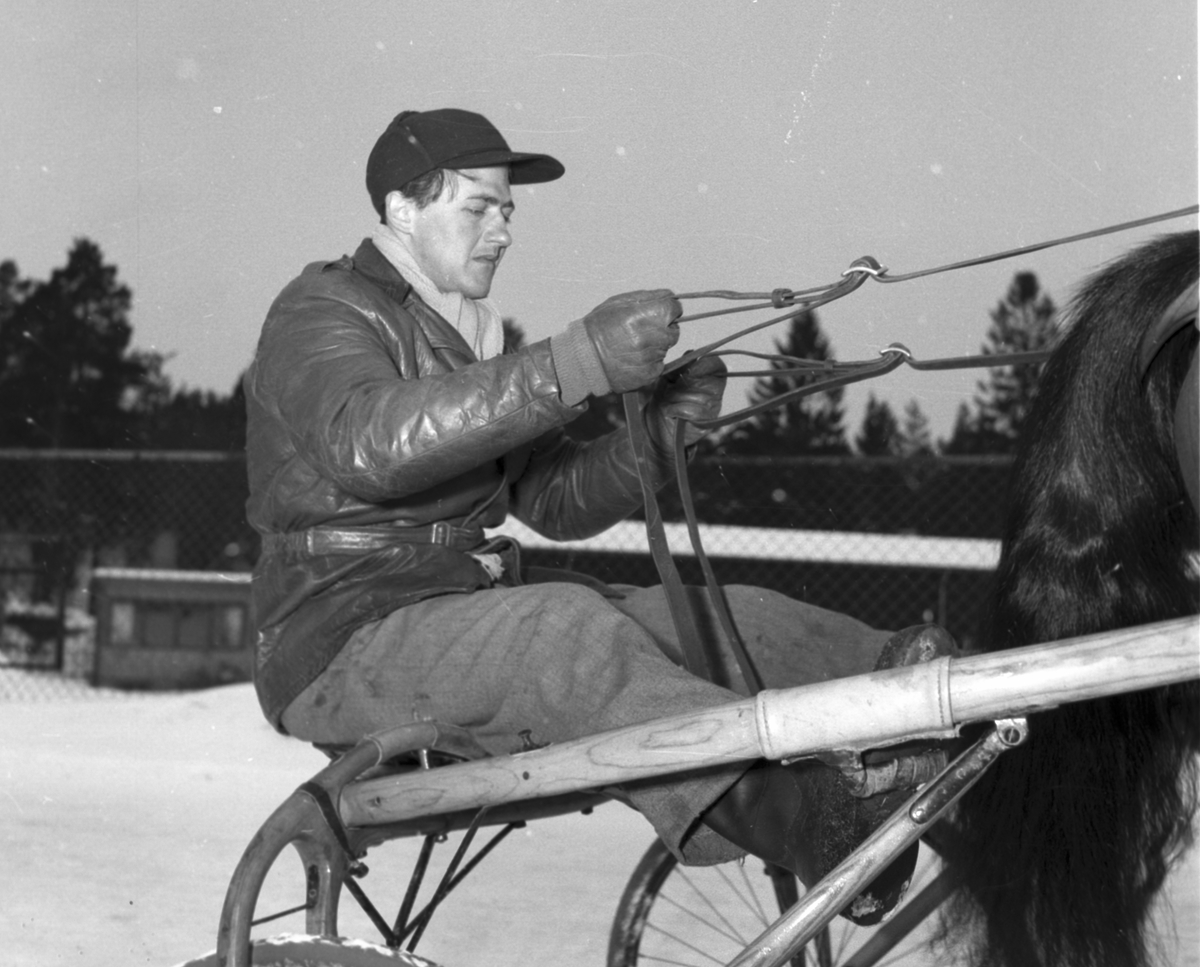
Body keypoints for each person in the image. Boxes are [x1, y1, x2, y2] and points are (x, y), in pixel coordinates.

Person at [244, 107, 953, 924]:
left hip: (454, 614)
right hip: (340, 635)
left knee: (714, 618)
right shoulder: (322, 309)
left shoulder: (466, 334)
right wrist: (573, 363)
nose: (503, 231)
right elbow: (370, 444)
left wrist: (655, 437)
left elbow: (552, 499)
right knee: (563, 632)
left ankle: (913, 691)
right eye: (479, 207)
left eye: (508, 210)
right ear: (403, 208)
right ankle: (810, 827)